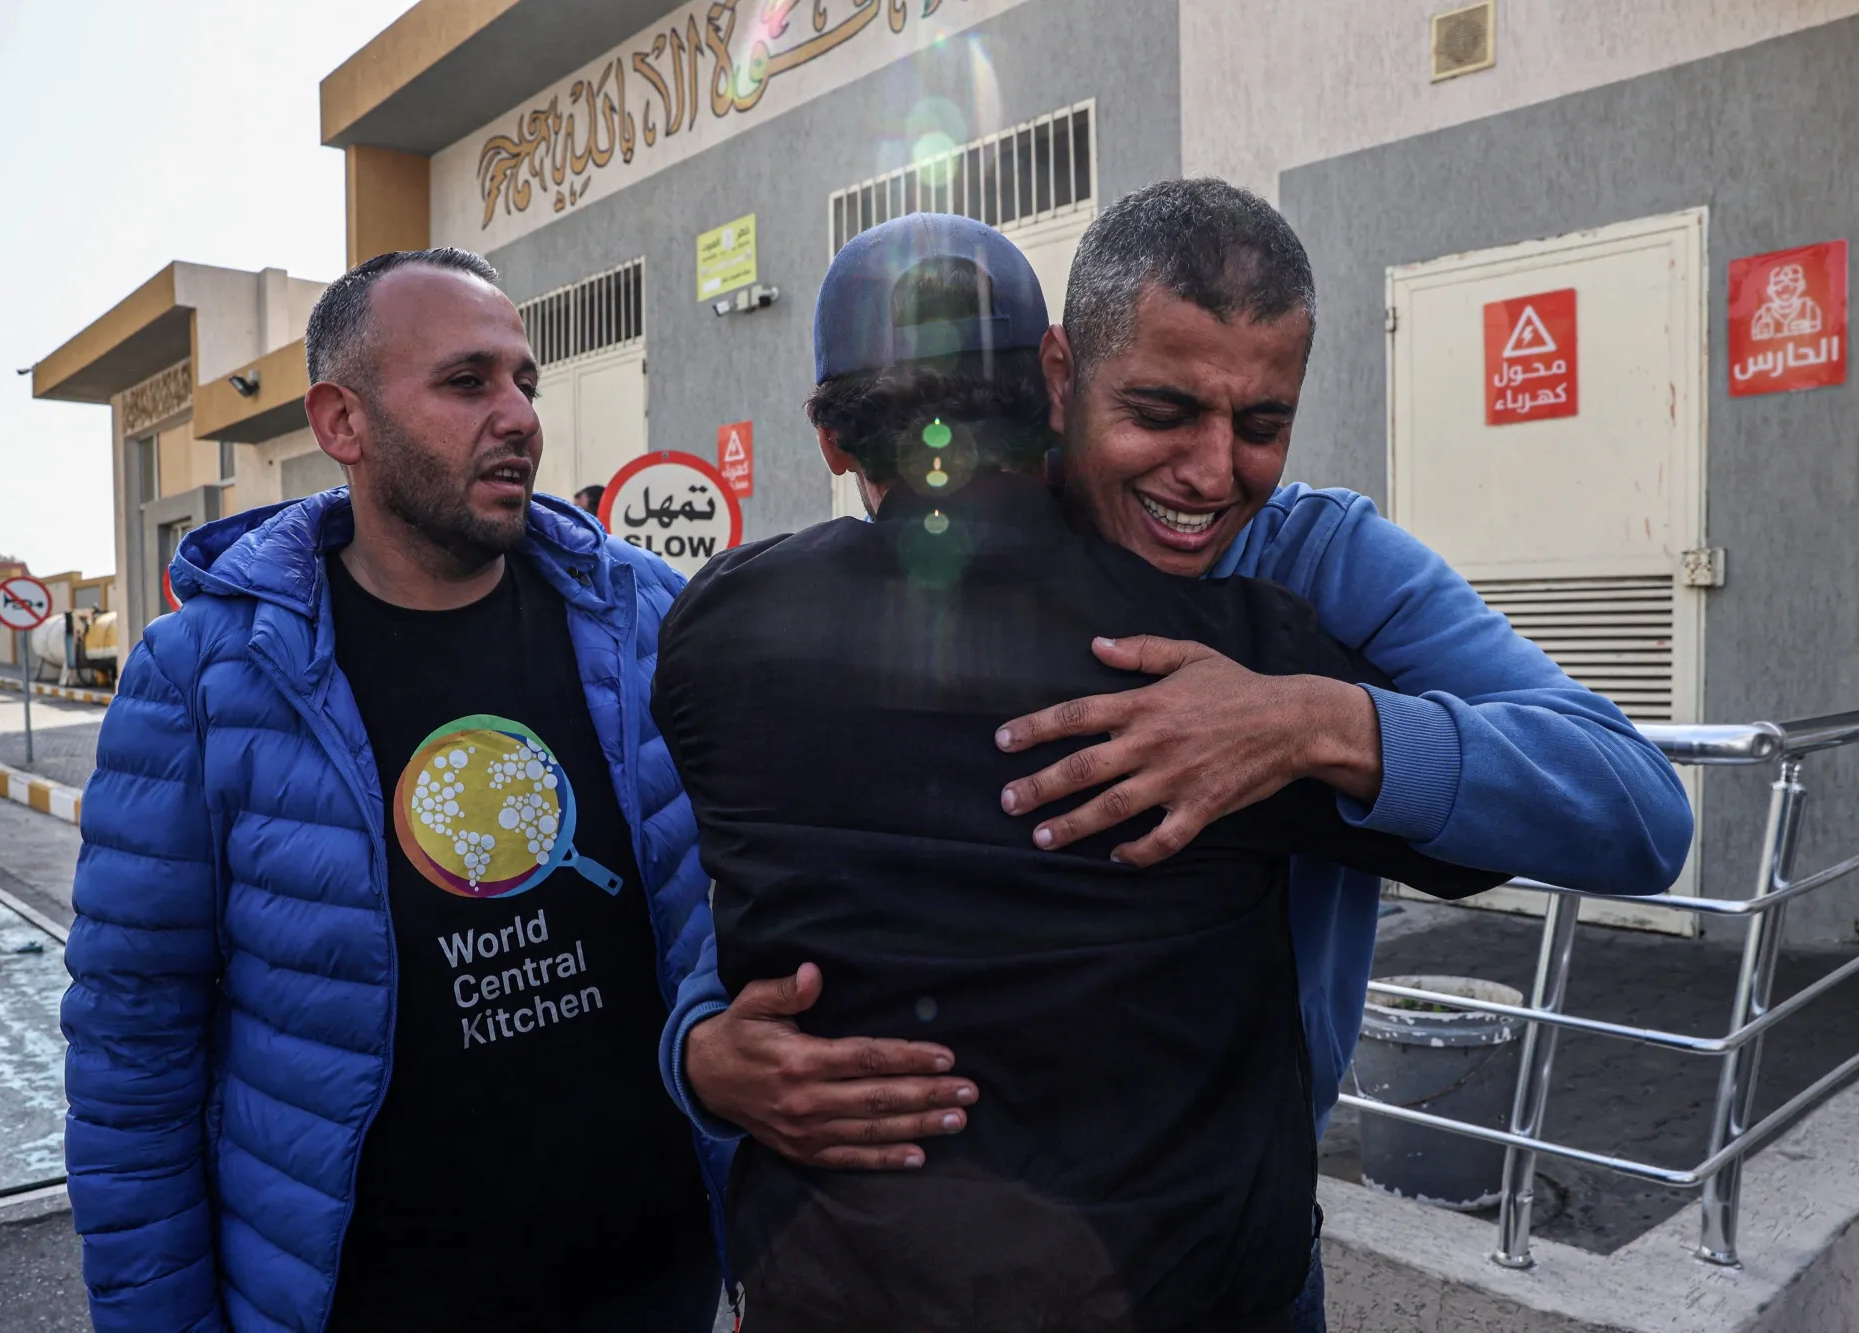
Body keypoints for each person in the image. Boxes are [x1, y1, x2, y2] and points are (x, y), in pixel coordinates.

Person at [666, 182, 1695, 1331]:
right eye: (1160, 411)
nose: (1211, 472)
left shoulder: (1317, 568)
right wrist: (703, 1047)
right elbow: (758, 874)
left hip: (1208, 1248)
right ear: (1056, 377)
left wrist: (1313, 722)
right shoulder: (887, 597)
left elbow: (1636, 808)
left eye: (1260, 424)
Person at [62, 248, 725, 1332]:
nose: (519, 417)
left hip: (656, 1284)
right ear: (342, 422)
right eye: (467, 382)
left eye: (524, 382)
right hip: (370, 1298)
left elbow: (809, 813)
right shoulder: (206, 677)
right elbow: (134, 1044)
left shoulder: (646, 619)